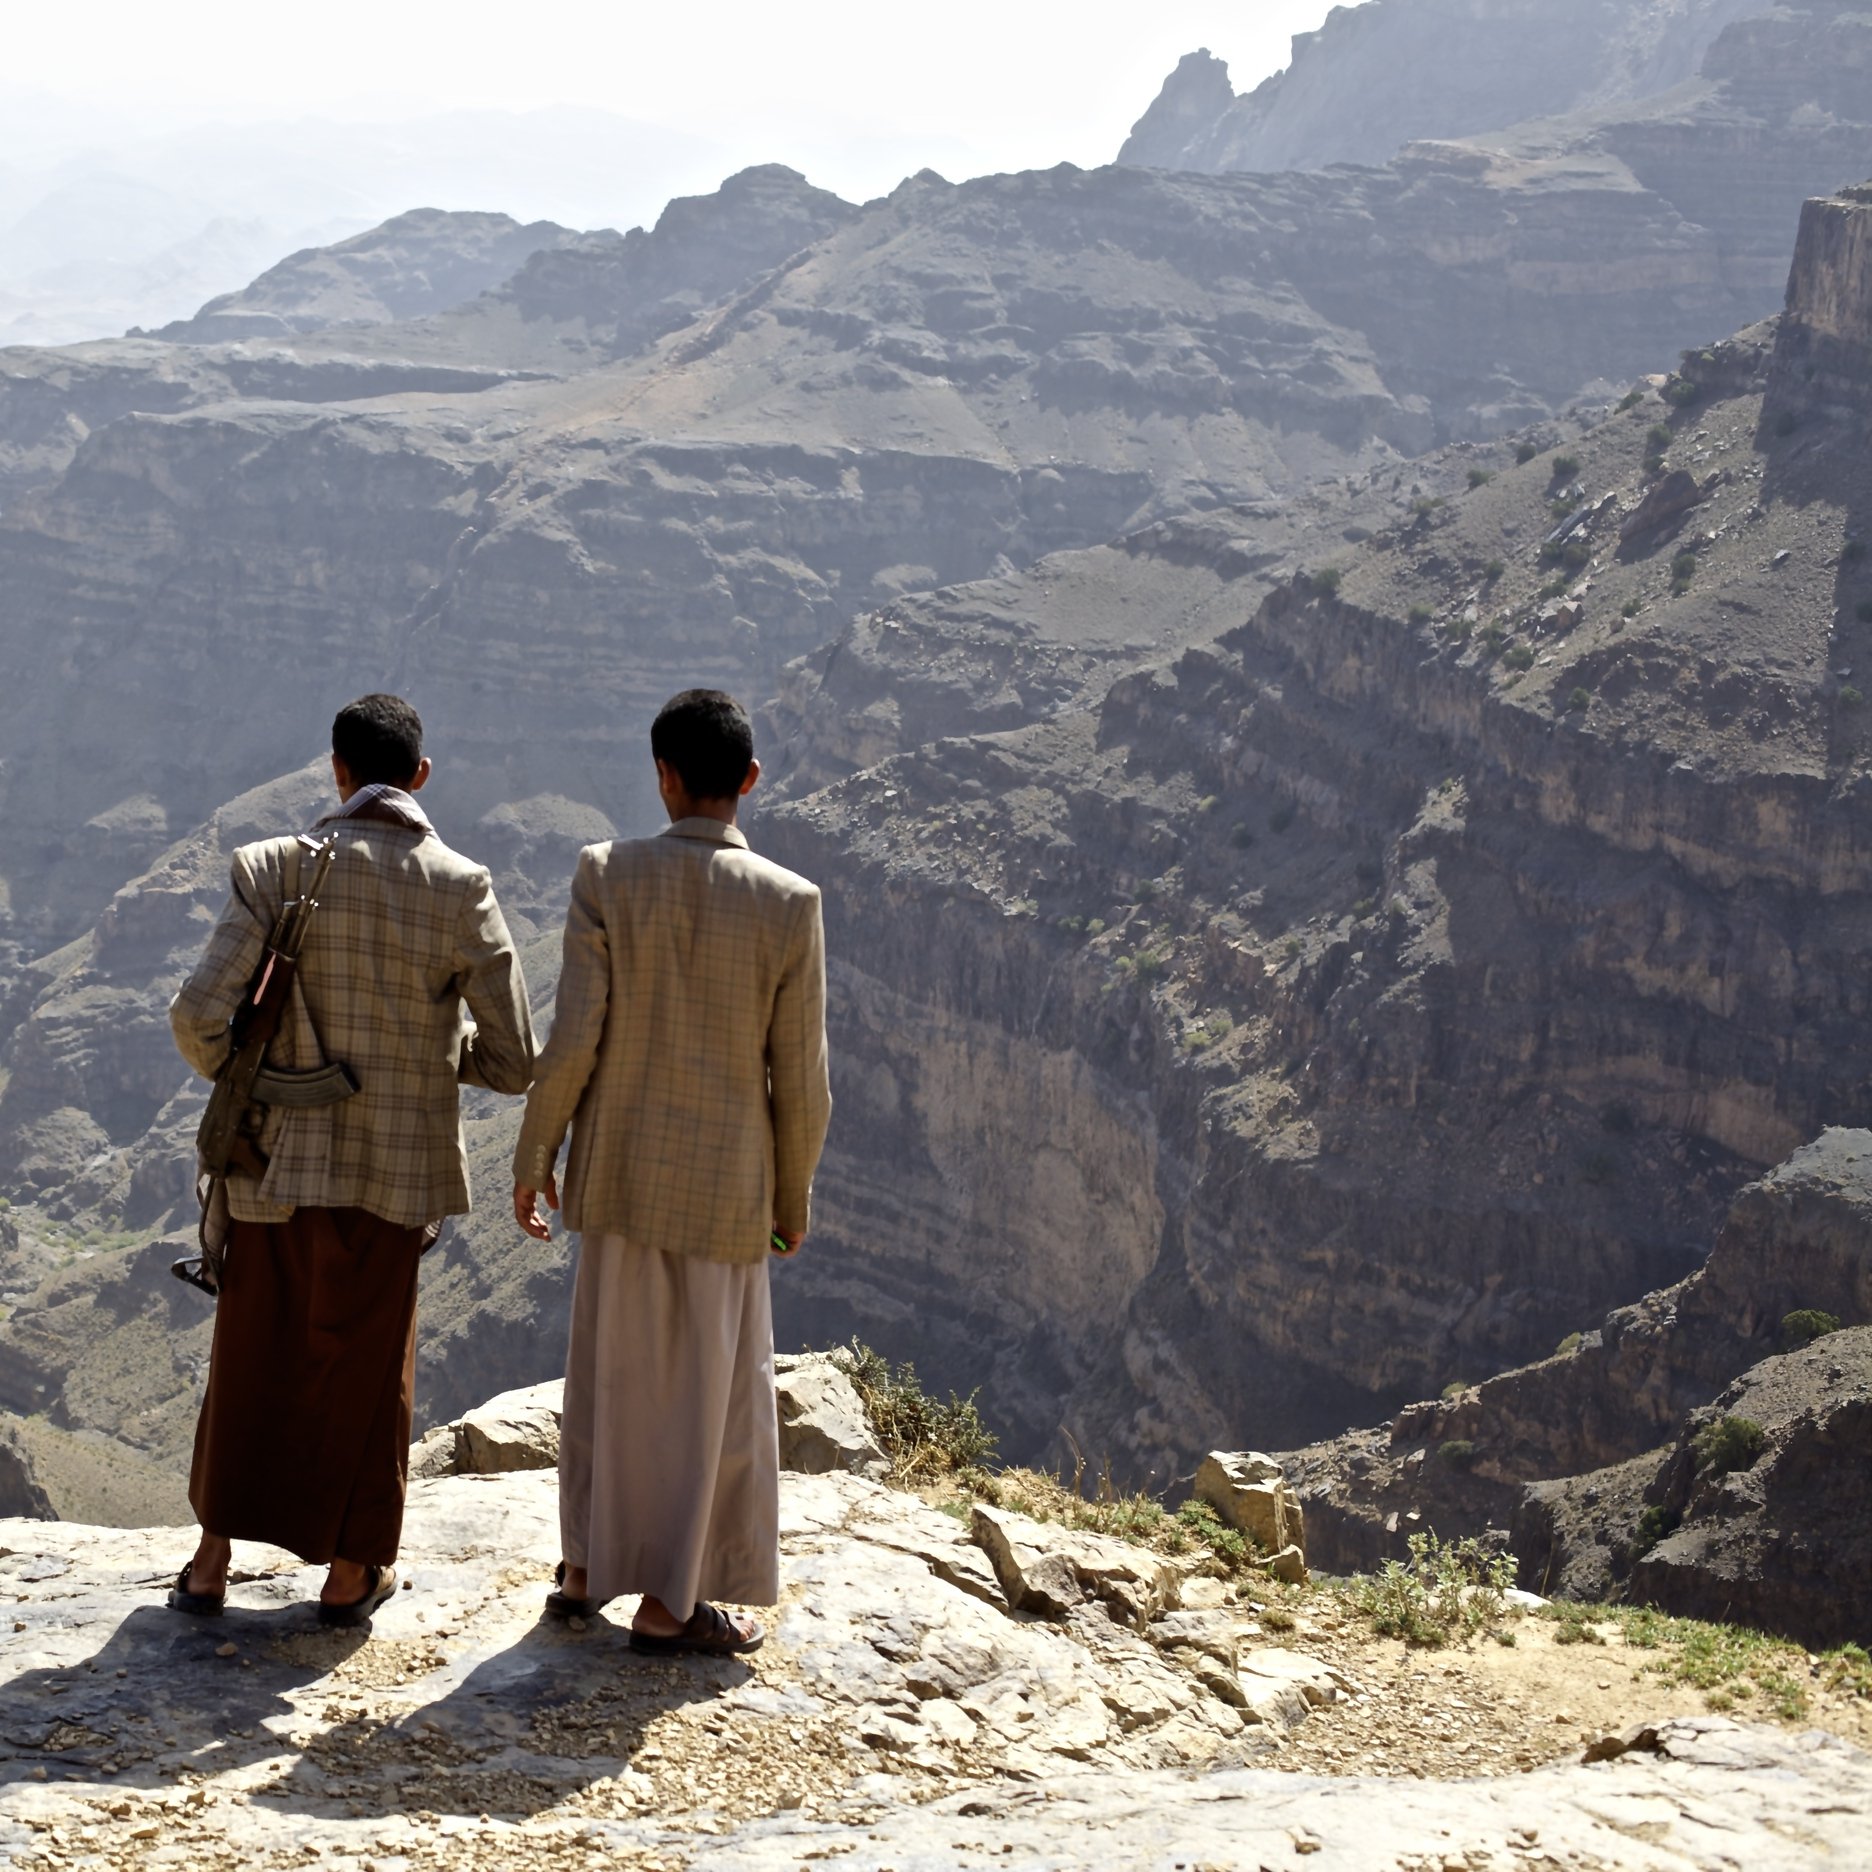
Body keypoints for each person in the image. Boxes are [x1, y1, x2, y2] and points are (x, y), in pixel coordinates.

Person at [168, 694, 535, 1624]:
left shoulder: (272, 869)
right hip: (393, 1176)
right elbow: (513, 1057)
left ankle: (210, 1564)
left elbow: (196, 1015)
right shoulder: (462, 886)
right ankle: (349, 1574)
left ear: (335, 769)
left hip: (269, 1165)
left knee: (253, 1354)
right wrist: (420, 1056)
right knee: (370, 1372)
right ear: (418, 776)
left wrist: (248, 1073)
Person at [513, 688, 831, 1655]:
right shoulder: (790, 903)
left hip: (616, 1174)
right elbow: (803, 1082)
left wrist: (538, 1156)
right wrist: (791, 1198)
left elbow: (573, 1041)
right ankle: (672, 1603)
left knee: (606, 1375)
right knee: (707, 1398)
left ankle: (583, 1568)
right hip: (728, 1188)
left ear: (662, 775)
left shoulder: (605, 875)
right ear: (749, 781)